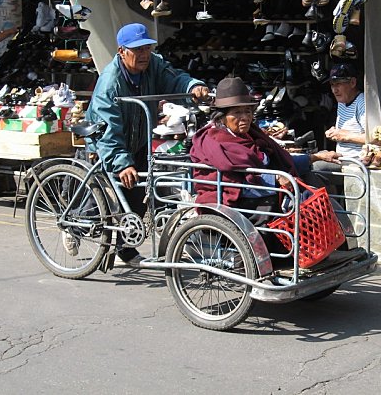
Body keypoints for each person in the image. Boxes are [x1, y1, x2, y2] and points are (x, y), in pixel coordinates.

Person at [84, 22, 208, 267]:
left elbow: (175, 79)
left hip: (139, 140)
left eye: (146, 49)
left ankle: (126, 250)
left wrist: (193, 86)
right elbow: (108, 129)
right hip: (109, 142)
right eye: (137, 50)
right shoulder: (110, 83)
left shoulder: (154, 64)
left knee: (137, 196)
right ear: (122, 51)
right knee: (101, 200)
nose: (143, 55)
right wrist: (121, 163)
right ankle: (76, 229)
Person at [189, 77, 340, 252]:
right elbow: (236, 184)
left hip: (263, 194)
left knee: (313, 190)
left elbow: (281, 161)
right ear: (222, 117)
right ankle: (300, 252)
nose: (244, 117)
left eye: (247, 111)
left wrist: (315, 157)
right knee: (289, 202)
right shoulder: (214, 141)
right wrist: (274, 180)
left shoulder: (252, 135)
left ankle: (323, 247)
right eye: (237, 113)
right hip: (238, 200)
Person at [312, 63, 366, 196]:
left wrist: (344, 135)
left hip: (356, 164)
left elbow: (372, 138)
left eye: (338, 84)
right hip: (343, 159)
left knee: (314, 169)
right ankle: (332, 207)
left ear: (352, 82)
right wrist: (335, 131)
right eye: (332, 85)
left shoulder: (362, 102)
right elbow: (348, 128)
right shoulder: (342, 102)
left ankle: (332, 210)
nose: (334, 90)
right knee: (313, 161)